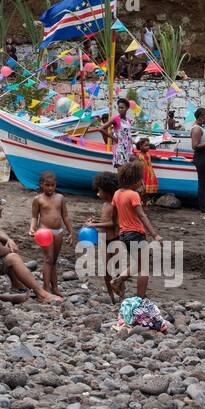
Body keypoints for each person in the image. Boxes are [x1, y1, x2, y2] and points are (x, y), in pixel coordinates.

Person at [112, 160, 161, 299]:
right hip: (135, 234)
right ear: (135, 180)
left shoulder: (117, 194)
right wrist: (155, 234)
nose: (142, 182)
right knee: (144, 268)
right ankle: (140, 298)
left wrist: (117, 231)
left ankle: (119, 280)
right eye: (141, 179)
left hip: (123, 234)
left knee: (139, 264)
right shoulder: (133, 195)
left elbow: (115, 215)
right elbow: (141, 215)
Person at [28, 172, 74, 297]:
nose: (49, 188)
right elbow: (34, 217)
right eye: (47, 185)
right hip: (44, 232)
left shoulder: (60, 198)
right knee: (48, 259)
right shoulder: (38, 199)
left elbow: (65, 216)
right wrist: (32, 228)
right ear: (41, 184)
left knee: (54, 260)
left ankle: (55, 287)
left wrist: (71, 232)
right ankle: (45, 287)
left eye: (52, 185)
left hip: (58, 232)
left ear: (55, 185)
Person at [87, 170, 121, 300]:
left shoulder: (114, 205)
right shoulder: (104, 204)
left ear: (107, 191)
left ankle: (121, 294)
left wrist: (95, 225)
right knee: (106, 272)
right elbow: (104, 221)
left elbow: (113, 223)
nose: (98, 192)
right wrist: (95, 222)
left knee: (117, 271)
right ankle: (111, 296)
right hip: (104, 240)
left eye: (100, 190)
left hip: (115, 240)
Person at [103, 96, 134, 167]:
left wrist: (133, 143)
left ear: (127, 108)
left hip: (128, 149)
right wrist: (114, 138)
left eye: (122, 108)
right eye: (119, 107)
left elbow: (128, 135)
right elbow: (102, 128)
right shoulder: (116, 119)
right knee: (121, 173)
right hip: (120, 149)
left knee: (127, 173)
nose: (120, 109)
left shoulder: (128, 120)